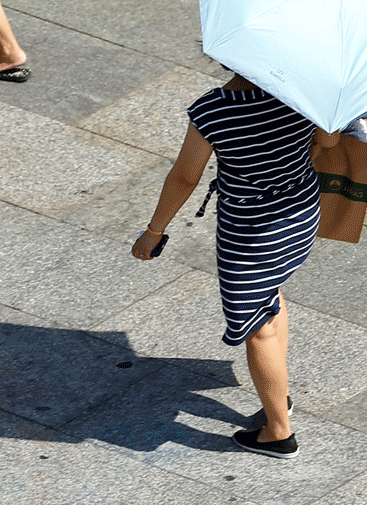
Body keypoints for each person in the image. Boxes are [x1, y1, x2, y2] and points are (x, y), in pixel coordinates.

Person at [132, 71, 339, 458]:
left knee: (256, 328)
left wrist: (154, 230)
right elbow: (327, 141)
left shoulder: (213, 110)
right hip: (302, 215)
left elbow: (184, 177)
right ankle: (279, 395)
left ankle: (279, 433)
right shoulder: (303, 88)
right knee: (271, 297)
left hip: (250, 233)